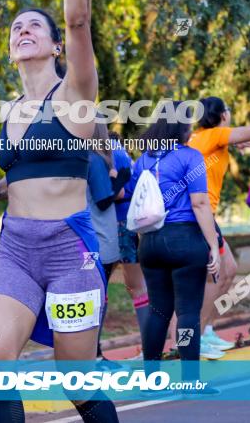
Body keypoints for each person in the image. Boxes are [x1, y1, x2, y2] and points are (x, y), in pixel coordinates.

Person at [0, 0, 119, 423]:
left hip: (68, 249)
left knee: (74, 383)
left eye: (35, 25)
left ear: (56, 45)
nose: (22, 29)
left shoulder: (76, 94)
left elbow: (79, 19)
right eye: (16, 27)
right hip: (14, 248)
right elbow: (31, 168)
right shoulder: (10, 110)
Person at [126, 107, 220, 384]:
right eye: (189, 125)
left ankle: (150, 380)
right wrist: (213, 245)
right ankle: (190, 381)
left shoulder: (143, 160)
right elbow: (200, 203)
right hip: (184, 239)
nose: (191, 129)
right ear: (181, 128)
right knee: (188, 311)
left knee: (158, 311)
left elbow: (135, 199)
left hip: (151, 243)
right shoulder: (190, 156)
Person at [187, 95, 250, 356]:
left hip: (205, 216)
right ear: (222, 115)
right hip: (200, 217)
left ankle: (205, 331)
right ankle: (197, 335)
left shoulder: (204, 137)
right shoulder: (214, 134)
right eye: (227, 110)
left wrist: (232, 145)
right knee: (218, 274)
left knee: (228, 270)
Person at [108, 131, 149, 357]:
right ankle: (150, 349)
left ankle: (150, 350)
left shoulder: (110, 150)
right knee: (138, 287)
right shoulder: (119, 150)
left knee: (137, 287)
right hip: (125, 222)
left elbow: (119, 191)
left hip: (119, 223)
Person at [87, 123, 125, 365]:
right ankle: (95, 357)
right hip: (101, 238)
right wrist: (122, 178)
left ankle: (92, 355)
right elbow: (103, 200)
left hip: (87, 236)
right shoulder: (96, 159)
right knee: (97, 300)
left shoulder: (78, 157)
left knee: (93, 299)